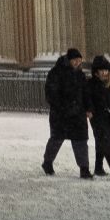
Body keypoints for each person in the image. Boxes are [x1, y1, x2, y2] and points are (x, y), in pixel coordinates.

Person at [42, 47, 92, 179]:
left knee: (81, 141)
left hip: (78, 114)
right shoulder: (56, 73)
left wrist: (88, 108)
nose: (77, 63)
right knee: (56, 140)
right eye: (75, 60)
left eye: (79, 60)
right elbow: (51, 93)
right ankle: (47, 162)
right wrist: (62, 107)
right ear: (69, 60)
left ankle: (84, 168)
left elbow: (86, 93)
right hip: (61, 114)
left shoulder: (80, 75)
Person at [87, 55, 110, 178]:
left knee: (102, 142)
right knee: (105, 142)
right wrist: (90, 110)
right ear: (96, 71)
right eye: (101, 70)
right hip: (98, 117)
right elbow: (88, 100)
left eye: (106, 70)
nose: (104, 72)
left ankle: (98, 168)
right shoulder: (91, 84)